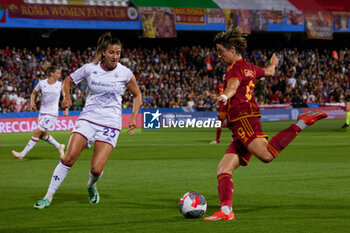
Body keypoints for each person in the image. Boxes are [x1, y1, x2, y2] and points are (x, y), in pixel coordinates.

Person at [203, 27, 328, 221]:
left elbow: (233, 87)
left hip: (243, 119)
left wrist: (224, 95)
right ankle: (226, 212)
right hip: (241, 124)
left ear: (233, 49)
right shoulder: (250, 68)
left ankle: (302, 123)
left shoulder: (235, 70)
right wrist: (272, 64)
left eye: (221, 51)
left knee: (267, 155)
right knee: (223, 169)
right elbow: (269, 72)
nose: (219, 56)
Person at [33, 32, 142, 209]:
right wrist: (66, 96)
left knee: (96, 169)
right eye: (112, 53)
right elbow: (67, 81)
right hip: (88, 119)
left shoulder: (125, 73)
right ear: (104, 52)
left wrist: (133, 117)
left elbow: (137, 95)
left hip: (110, 123)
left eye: (118, 53)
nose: (115, 57)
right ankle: (48, 197)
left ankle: (91, 185)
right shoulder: (89, 69)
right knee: (69, 157)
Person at [12, 63, 66, 160]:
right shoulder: (42, 83)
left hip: (52, 113)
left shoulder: (60, 85)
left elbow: (66, 97)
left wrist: (66, 108)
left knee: (37, 132)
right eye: (58, 73)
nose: (60, 75)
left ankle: (21, 154)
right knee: (43, 135)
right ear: (51, 74)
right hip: (42, 112)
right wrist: (32, 101)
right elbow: (33, 93)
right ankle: (59, 146)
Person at [210, 75, 227, 144]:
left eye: (225, 77)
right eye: (223, 77)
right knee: (219, 123)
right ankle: (217, 139)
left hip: (230, 108)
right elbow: (216, 95)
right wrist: (211, 96)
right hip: (222, 108)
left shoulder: (231, 86)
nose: (224, 78)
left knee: (233, 123)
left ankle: (236, 138)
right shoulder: (220, 86)